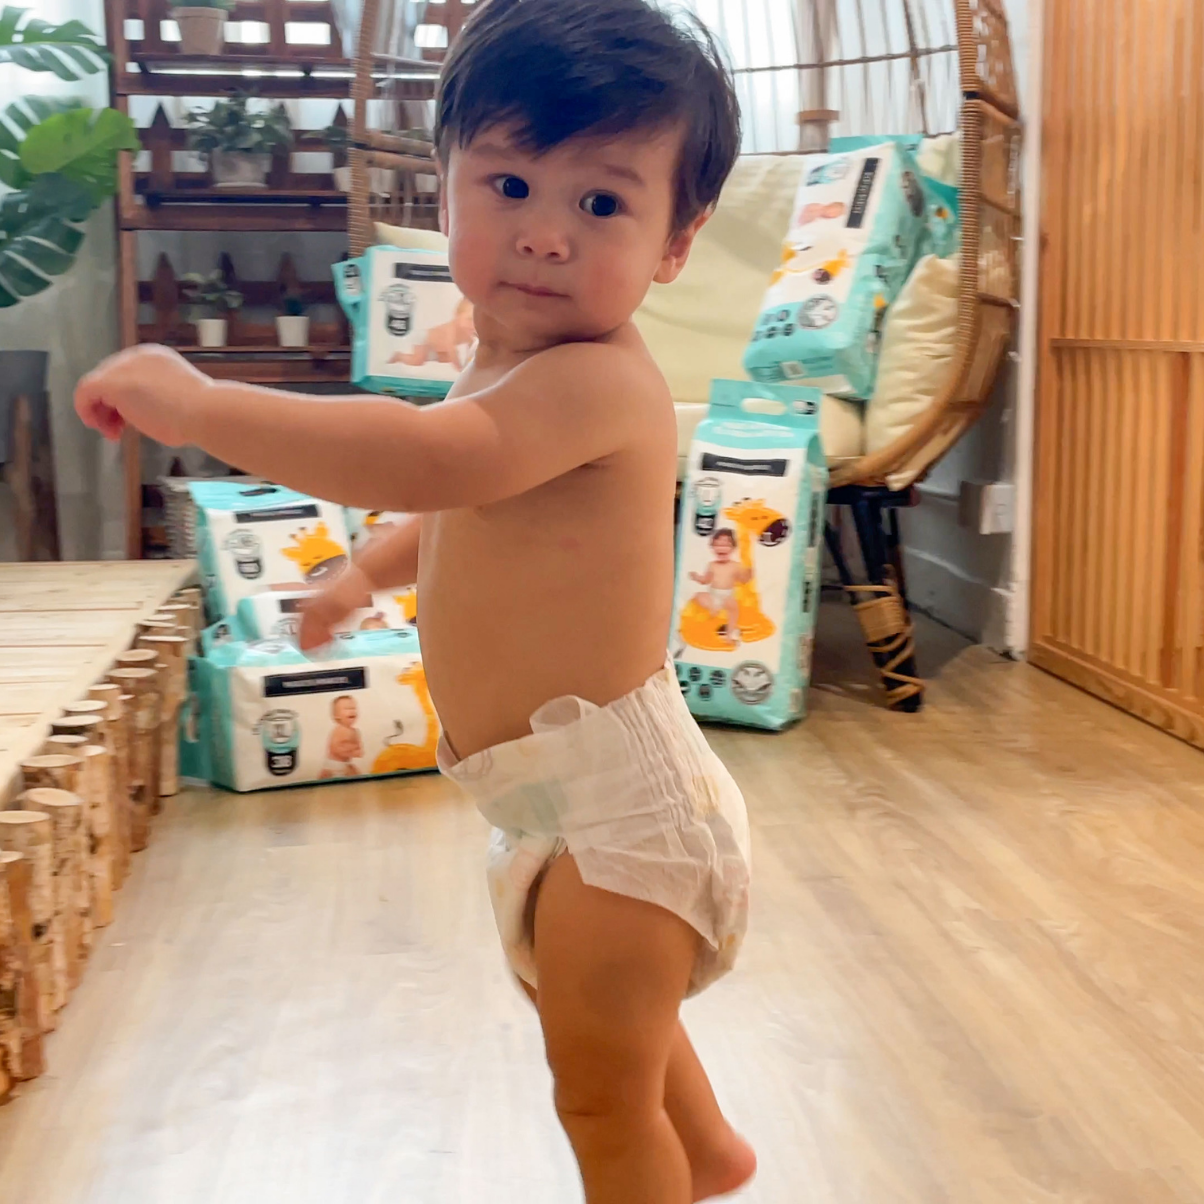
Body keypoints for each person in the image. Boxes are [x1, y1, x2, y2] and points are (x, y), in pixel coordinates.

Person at [75, 1, 753, 1199]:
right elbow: (465, 510)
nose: (544, 234)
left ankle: (671, 1158)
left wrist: (203, 405)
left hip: (623, 812)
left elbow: (436, 461)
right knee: (602, 1032)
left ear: (675, 242)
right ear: (442, 186)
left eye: (600, 204)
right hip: (551, 797)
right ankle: (707, 1155)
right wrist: (363, 574)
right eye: (509, 185)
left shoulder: (596, 382)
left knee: (598, 1096)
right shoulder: (501, 358)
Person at [689, 528, 749, 642]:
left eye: (726, 545)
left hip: (727, 596)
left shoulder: (735, 565)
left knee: (733, 607)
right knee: (698, 596)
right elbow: (706, 580)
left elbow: (742, 580)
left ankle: (729, 634)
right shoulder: (712, 565)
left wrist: (747, 575)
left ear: (733, 548)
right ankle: (713, 609)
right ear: (712, 548)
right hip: (713, 595)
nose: (721, 548)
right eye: (717, 545)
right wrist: (697, 577)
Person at [320, 694, 364, 778]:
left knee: (357, 775)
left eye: (353, 708)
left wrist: (358, 751)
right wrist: (349, 751)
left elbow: (358, 747)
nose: (351, 711)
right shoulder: (340, 730)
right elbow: (334, 748)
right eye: (347, 709)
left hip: (345, 763)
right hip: (334, 765)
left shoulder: (355, 731)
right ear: (336, 715)